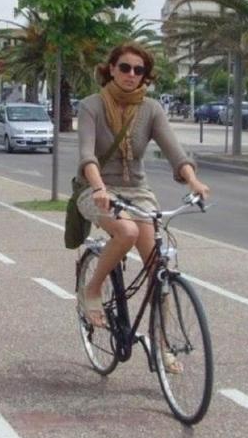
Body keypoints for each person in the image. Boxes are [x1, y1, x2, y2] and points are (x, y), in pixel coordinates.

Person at [75, 42, 211, 348]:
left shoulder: (151, 109)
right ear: (111, 69)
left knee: (158, 272)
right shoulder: (91, 106)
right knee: (126, 231)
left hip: (138, 193)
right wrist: (98, 188)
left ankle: (162, 346)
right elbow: (86, 156)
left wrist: (193, 181)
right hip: (97, 189)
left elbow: (175, 152)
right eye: (125, 67)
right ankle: (93, 289)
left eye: (139, 70)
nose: (131, 74)